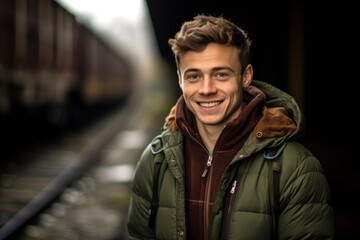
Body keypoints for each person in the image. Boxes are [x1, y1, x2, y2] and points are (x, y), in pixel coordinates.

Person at [127, 14, 335, 240]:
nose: (206, 89)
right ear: (180, 80)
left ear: (246, 77)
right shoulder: (155, 161)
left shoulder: (295, 168)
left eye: (221, 74)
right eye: (194, 76)